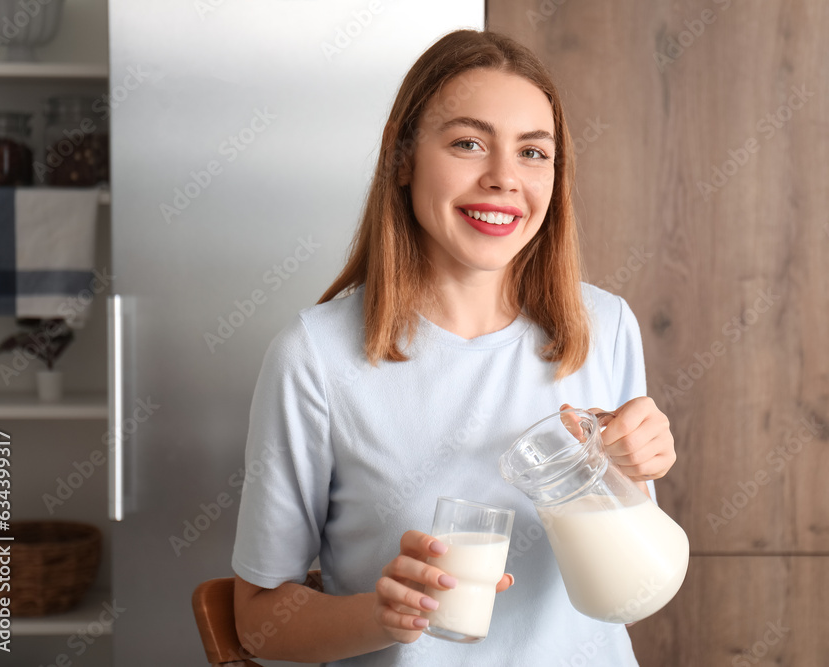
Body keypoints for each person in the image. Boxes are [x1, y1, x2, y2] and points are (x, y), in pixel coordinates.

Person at [231, 28, 676, 666]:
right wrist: (382, 616)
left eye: (533, 152)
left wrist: (633, 467)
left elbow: (633, 582)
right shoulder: (317, 356)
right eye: (469, 143)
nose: (503, 179)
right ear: (403, 157)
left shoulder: (602, 326)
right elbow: (258, 620)